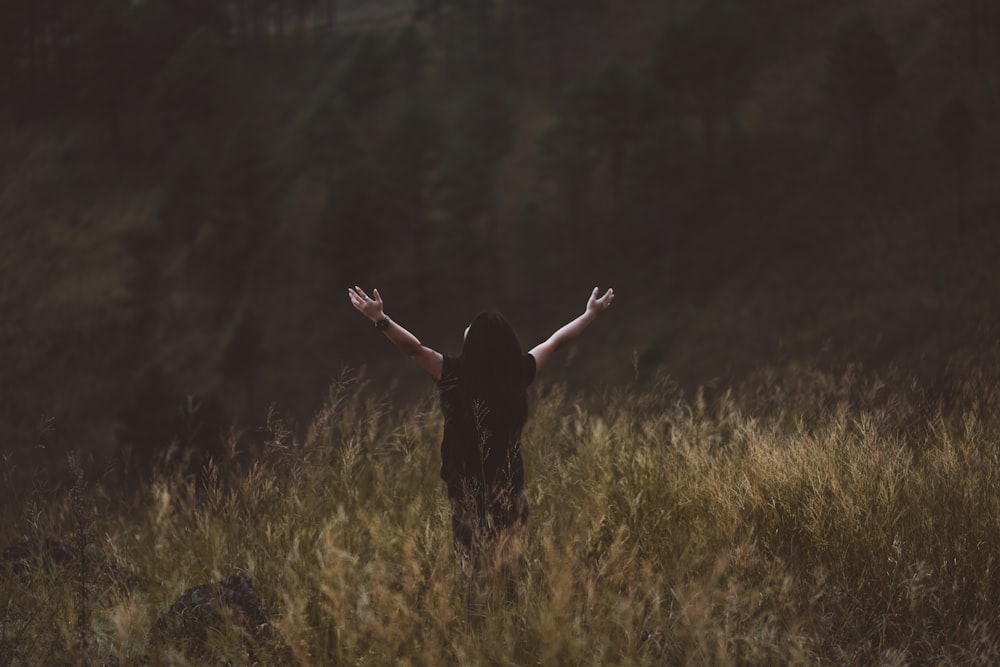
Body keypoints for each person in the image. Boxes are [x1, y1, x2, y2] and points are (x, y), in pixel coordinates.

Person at [347, 285, 614, 621]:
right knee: (510, 576)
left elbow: (413, 350)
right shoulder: (519, 373)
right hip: (510, 490)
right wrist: (590, 315)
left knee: (474, 580)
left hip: (466, 494)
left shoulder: (453, 374)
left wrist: (380, 319)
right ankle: (512, 635)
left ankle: (478, 639)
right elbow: (556, 342)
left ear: (473, 341)